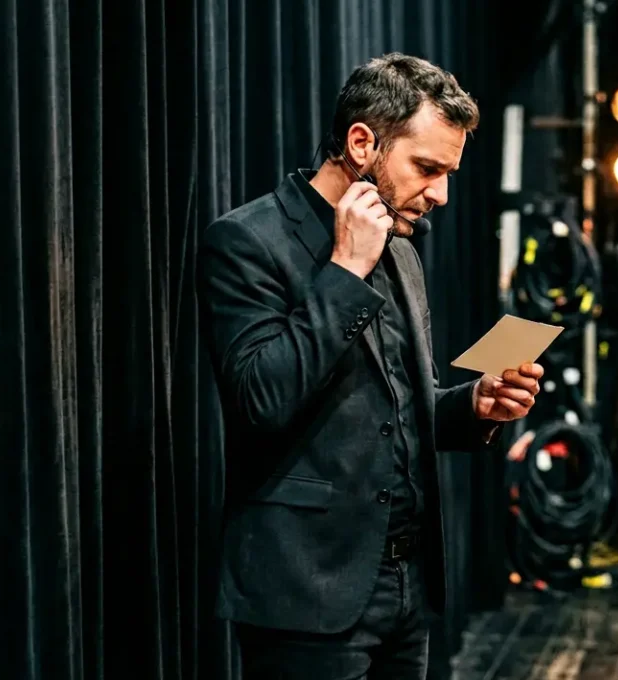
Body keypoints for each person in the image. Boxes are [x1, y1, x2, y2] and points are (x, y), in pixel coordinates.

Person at [197, 53, 541, 680]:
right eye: (427, 168)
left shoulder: (402, 248)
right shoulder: (246, 242)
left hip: (404, 588)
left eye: (447, 173)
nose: (439, 194)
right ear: (362, 143)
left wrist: (473, 405)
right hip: (306, 592)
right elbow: (259, 400)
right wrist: (346, 271)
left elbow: (399, 409)